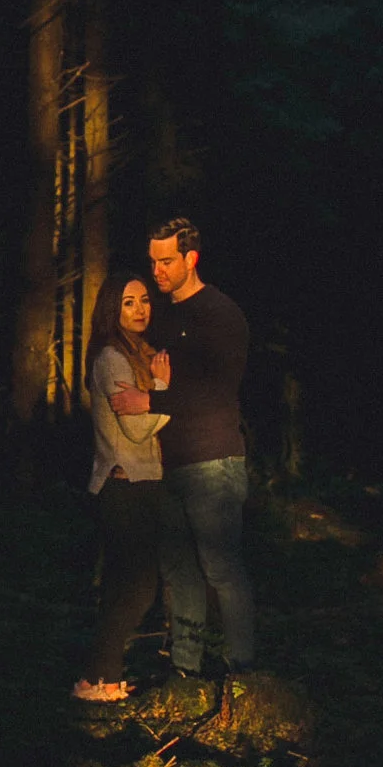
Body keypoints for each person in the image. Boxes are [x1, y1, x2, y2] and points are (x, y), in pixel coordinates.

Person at [145, 213, 256, 684]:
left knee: (220, 568)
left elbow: (214, 391)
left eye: (166, 261)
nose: (158, 271)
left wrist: (152, 396)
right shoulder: (166, 316)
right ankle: (184, 668)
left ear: (191, 258)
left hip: (212, 460)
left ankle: (244, 669)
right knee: (179, 570)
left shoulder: (220, 314)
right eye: (153, 262)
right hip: (170, 461)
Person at [72, 270, 171, 704]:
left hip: (137, 483)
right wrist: (166, 391)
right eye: (129, 302)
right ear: (113, 308)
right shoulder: (112, 358)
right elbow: (134, 431)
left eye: (144, 300)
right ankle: (99, 679)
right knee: (137, 587)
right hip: (125, 484)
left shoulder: (136, 355)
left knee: (124, 586)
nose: (139, 310)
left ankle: (100, 678)